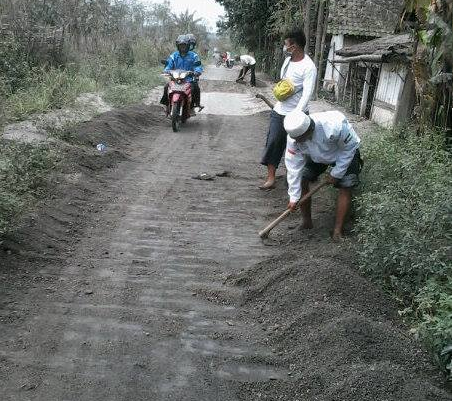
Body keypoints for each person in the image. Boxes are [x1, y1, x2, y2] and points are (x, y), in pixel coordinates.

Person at [283, 108, 362, 241]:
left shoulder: (334, 126)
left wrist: (337, 173)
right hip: (316, 157)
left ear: (310, 130)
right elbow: (293, 167)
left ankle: (337, 231)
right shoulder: (294, 139)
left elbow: (350, 146)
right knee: (302, 178)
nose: (298, 142)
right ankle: (307, 222)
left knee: (346, 187)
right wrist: (293, 197)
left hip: (344, 153)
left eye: (301, 139)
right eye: (296, 139)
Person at [260, 28, 317, 190]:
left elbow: (307, 93)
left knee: (298, 148)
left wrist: (297, 114)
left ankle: (296, 177)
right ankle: (271, 178)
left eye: (286, 44)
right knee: (273, 143)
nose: (284, 47)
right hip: (280, 111)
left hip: (298, 115)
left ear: (294, 46)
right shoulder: (287, 61)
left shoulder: (309, 67)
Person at [160, 35, 203, 114]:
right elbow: (168, 65)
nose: (182, 47)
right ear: (178, 46)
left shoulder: (194, 56)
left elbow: (198, 66)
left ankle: (193, 106)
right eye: (181, 45)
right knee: (166, 87)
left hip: (189, 79)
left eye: (184, 45)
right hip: (175, 79)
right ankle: (166, 105)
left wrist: (197, 72)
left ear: (188, 46)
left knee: (195, 88)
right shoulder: (174, 56)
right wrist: (166, 71)